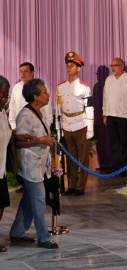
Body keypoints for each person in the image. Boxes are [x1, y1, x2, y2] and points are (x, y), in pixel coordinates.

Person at [9, 78, 58, 249]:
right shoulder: (25, 115)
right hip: (30, 165)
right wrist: (41, 140)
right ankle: (44, 237)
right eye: (45, 92)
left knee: (29, 201)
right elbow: (19, 142)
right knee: (38, 200)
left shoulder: (39, 112)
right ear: (36, 97)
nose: (48, 95)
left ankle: (17, 232)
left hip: (39, 164)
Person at [9, 62, 53, 193]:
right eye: (21, 71)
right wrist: (12, 126)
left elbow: (48, 114)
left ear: (32, 72)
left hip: (39, 131)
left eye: (25, 71)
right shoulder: (17, 88)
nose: (23, 74)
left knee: (33, 196)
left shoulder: (41, 88)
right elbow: (12, 108)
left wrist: (45, 131)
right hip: (21, 131)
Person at [56, 52, 94, 196]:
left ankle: (80, 186)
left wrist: (89, 129)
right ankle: (71, 185)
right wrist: (59, 130)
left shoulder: (84, 87)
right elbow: (58, 109)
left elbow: (89, 108)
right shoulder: (61, 87)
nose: (69, 68)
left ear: (78, 68)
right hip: (66, 124)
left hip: (80, 123)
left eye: (72, 66)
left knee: (82, 158)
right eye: (68, 65)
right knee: (70, 157)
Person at [102, 58, 127, 174]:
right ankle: (115, 166)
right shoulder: (108, 80)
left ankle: (124, 167)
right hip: (111, 115)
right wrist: (105, 114)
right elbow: (105, 98)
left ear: (122, 66)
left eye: (116, 65)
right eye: (112, 65)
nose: (113, 68)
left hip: (124, 116)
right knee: (114, 143)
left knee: (123, 143)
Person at [0, 76, 12, 252]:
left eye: (6, 96)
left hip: (0, 168)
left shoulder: (2, 112)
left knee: (1, 204)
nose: (4, 100)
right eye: (1, 96)